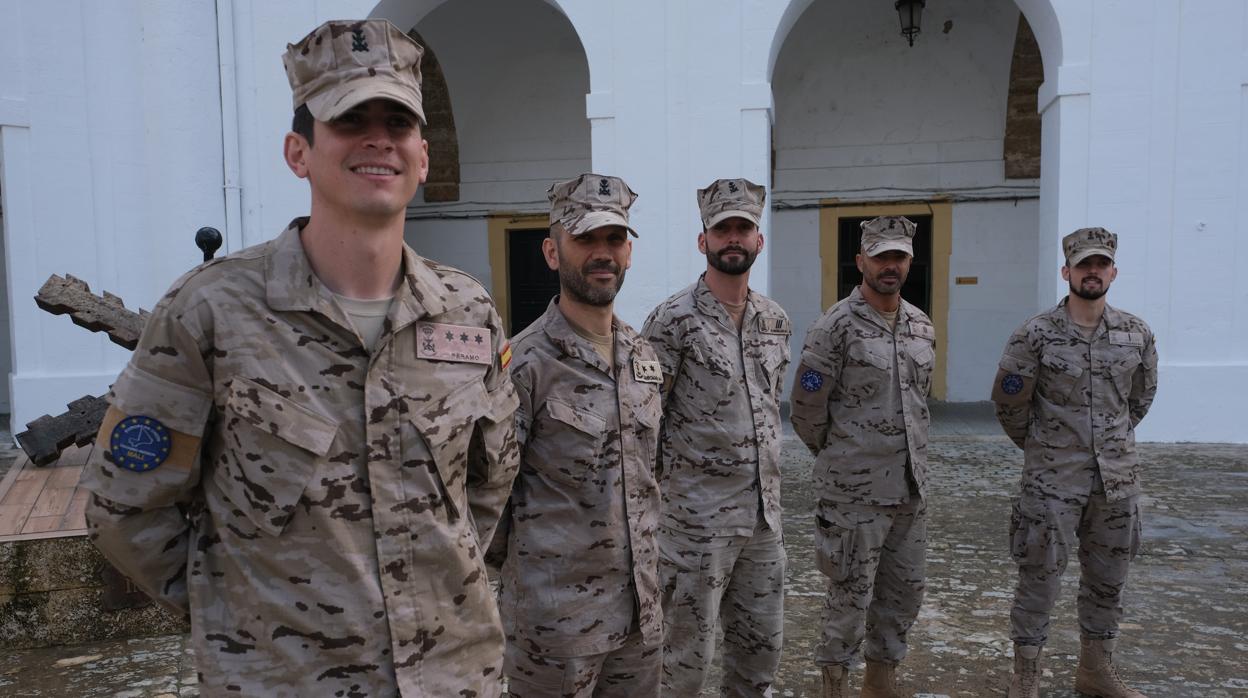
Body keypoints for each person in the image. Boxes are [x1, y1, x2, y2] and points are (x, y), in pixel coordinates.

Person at [80, 19, 519, 696]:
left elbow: (485, 490)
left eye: (397, 123)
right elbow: (125, 504)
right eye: (349, 121)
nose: (378, 139)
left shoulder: (468, 313)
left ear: (422, 157)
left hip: (455, 676)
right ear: (299, 152)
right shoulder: (211, 313)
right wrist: (236, 617)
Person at [493, 174, 664, 697]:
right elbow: (490, 499)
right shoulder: (523, 365)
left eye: (614, 239)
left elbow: (651, 475)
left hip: (639, 619)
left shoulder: (644, 358)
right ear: (552, 251)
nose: (602, 253)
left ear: (629, 252)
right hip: (554, 630)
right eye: (585, 239)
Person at [992, 227, 1158, 698]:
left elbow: (1140, 400)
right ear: (1067, 271)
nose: (1092, 272)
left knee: (1109, 579)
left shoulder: (1136, 333)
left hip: (1117, 483)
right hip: (1051, 481)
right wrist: (1047, 447)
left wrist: (1107, 443)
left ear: (1113, 272)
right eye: (1083, 265)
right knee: (1039, 579)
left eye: (1100, 264)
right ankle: (1026, 678)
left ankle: (1096, 670)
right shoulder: (1035, 334)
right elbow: (1009, 404)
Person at [640, 178, 789, 697]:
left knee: (761, 653)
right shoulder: (671, 322)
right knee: (683, 660)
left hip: (763, 523)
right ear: (702, 240)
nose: (733, 238)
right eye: (721, 228)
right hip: (694, 527)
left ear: (758, 241)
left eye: (743, 228)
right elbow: (645, 422)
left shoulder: (775, 321)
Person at [790, 216, 936, 698]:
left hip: (909, 492)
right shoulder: (834, 327)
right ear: (861, 262)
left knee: (903, 596)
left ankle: (880, 685)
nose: (890, 266)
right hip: (853, 495)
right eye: (881, 256)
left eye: (899, 256)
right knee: (848, 601)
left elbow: (919, 402)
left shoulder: (920, 325)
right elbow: (807, 410)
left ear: (909, 261)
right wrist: (843, 457)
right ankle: (835, 686)